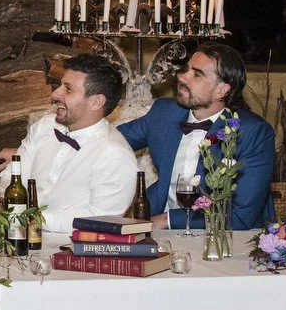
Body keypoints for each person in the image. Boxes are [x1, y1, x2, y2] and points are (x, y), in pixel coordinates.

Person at [117, 43, 275, 230]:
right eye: (186, 69)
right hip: (158, 226)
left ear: (222, 90)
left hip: (224, 236)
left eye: (197, 74)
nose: (183, 77)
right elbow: (112, 141)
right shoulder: (164, 113)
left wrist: (167, 220)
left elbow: (242, 215)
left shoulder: (252, 132)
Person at [0, 53, 139, 233]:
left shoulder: (115, 156)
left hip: (69, 252)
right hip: (18, 239)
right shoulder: (44, 127)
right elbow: (13, 174)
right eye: (59, 85)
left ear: (96, 102)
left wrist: (26, 216)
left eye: (67, 89)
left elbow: (99, 220)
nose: (55, 94)